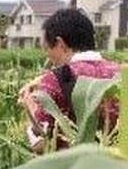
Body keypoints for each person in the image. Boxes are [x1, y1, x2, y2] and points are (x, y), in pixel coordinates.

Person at [19, 8, 120, 153]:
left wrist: (30, 108)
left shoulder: (55, 79)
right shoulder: (123, 75)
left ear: (60, 43)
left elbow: (41, 145)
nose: (48, 56)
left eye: (47, 48)